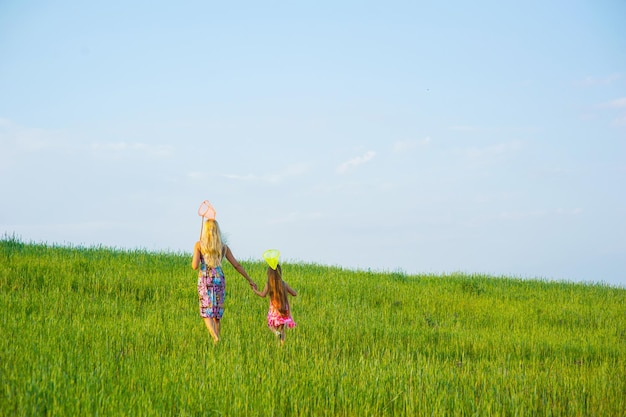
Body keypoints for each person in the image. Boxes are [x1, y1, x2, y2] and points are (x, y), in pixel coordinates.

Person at [192, 218, 257, 344]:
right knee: (216, 313)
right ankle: (217, 341)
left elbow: (194, 266)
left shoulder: (199, 245)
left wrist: (197, 252)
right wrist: (249, 280)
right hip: (219, 279)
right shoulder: (223, 247)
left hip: (205, 279)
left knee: (207, 312)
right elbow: (237, 265)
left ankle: (215, 337)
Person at [253, 263, 297, 345]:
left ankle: (276, 333)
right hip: (284, 308)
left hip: (274, 309)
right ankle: (282, 346)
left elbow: (263, 294)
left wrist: (255, 290)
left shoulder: (269, 284)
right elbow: (294, 294)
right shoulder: (283, 284)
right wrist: (295, 291)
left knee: (270, 325)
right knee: (282, 329)